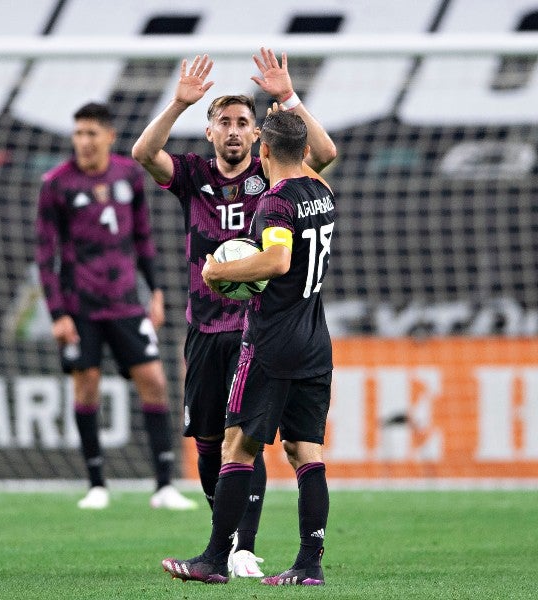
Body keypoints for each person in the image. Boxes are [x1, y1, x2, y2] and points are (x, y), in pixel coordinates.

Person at [131, 49, 336, 577]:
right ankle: (300, 560)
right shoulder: (198, 175)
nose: (234, 131)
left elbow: (280, 253)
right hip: (212, 329)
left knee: (243, 442)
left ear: (259, 140)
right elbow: (143, 152)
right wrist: (177, 103)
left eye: (245, 122)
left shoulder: (274, 192)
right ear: (210, 132)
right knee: (219, 443)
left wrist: (220, 272)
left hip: (258, 331)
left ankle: (231, 549)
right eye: (224, 121)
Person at [35, 101, 197, 511]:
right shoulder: (56, 183)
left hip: (126, 302)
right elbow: (44, 255)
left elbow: (143, 237)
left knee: (156, 382)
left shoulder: (129, 174)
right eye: (78, 133)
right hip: (80, 306)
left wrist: (156, 291)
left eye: (90, 133)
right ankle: (96, 484)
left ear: (109, 136)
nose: (83, 141)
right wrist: (57, 313)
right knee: (86, 387)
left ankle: (163, 486)